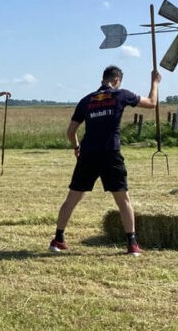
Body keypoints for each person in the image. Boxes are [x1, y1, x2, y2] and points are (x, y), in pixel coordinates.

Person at [49, 65, 160, 257]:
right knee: (122, 199)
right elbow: (151, 102)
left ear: (103, 79)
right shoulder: (121, 95)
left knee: (72, 198)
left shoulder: (86, 100)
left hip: (88, 154)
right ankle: (132, 244)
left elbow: (70, 132)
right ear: (116, 80)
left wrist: (77, 148)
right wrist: (155, 82)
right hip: (110, 153)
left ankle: (58, 239)